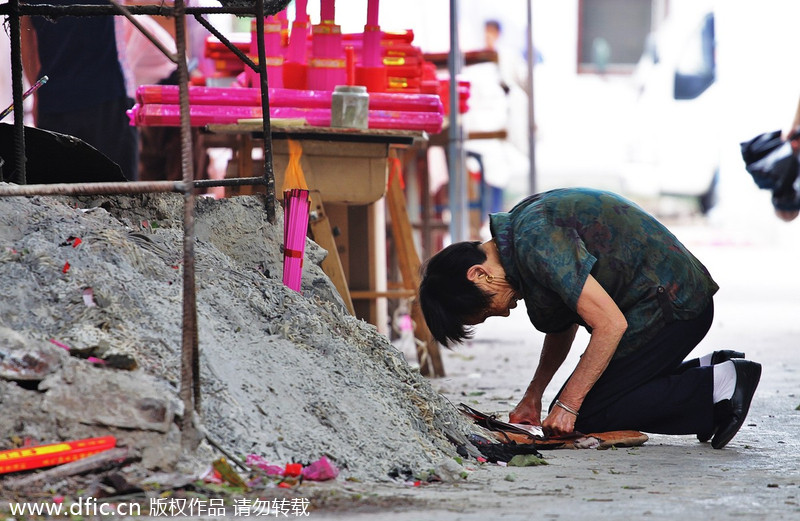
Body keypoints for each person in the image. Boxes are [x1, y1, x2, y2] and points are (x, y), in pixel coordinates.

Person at [419, 188, 761, 449]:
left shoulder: (535, 241)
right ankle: (706, 368)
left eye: (486, 308)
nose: (504, 311)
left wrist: (569, 404)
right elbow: (562, 320)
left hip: (674, 307)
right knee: (566, 409)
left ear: (479, 274)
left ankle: (721, 384)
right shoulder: (519, 239)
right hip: (664, 307)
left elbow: (610, 325)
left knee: (587, 414)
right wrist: (534, 395)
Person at [21, 0, 138, 180]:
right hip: (93, 99)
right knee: (116, 191)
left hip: (99, 97)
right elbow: (25, 35)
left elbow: (25, 37)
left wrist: (38, 94)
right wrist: (37, 94)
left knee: (65, 193)